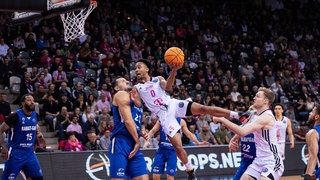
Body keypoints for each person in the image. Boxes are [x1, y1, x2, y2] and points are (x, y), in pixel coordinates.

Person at [134, 59, 241, 179]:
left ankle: (237, 115)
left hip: (172, 104)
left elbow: (168, 87)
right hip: (163, 115)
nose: (136, 70)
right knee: (178, 147)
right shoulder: (137, 88)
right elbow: (137, 106)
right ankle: (190, 170)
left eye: (139, 67)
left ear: (147, 69)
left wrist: (174, 70)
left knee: (203, 108)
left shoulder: (157, 79)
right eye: (135, 68)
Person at [212, 87, 283, 180]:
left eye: (257, 96)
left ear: (265, 101)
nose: (254, 98)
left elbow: (242, 132)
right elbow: (239, 118)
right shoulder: (254, 114)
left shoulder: (266, 117)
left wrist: (222, 119)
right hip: (258, 161)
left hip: (272, 161)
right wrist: (234, 139)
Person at [108, 77, 148, 180]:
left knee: (143, 178)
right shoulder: (120, 94)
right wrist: (137, 140)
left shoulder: (135, 99)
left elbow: (139, 120)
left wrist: (142, 130)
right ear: (117, 87)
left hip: (133, 142)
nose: (126, 81)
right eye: (122, 81)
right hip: (121, 141)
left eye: (126, 80)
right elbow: (128, 121)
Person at [0, 94, 44, 179]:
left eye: (33, 100)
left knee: (38, 178)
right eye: (29, 100)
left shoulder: (35, 115)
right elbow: (0, 130)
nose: (32, 102)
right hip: (15, 153)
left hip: (29, 153)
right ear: (23, 103)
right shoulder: (15, 116)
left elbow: (33, 130)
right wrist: (3, 147)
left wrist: (36, 140)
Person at [229, 106, 257, 180]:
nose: (250, 111)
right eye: (249, 109)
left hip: (256, 162)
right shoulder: (243, 126)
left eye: (253, 110)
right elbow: (237, 135)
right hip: (244, 161)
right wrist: (232, 141)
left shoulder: (259, 126)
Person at [303, 104, 320, 180]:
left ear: (317, 117)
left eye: (312, 112)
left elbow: (313, 156)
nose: (309, 113)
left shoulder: (313, 133)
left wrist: (307, 176)